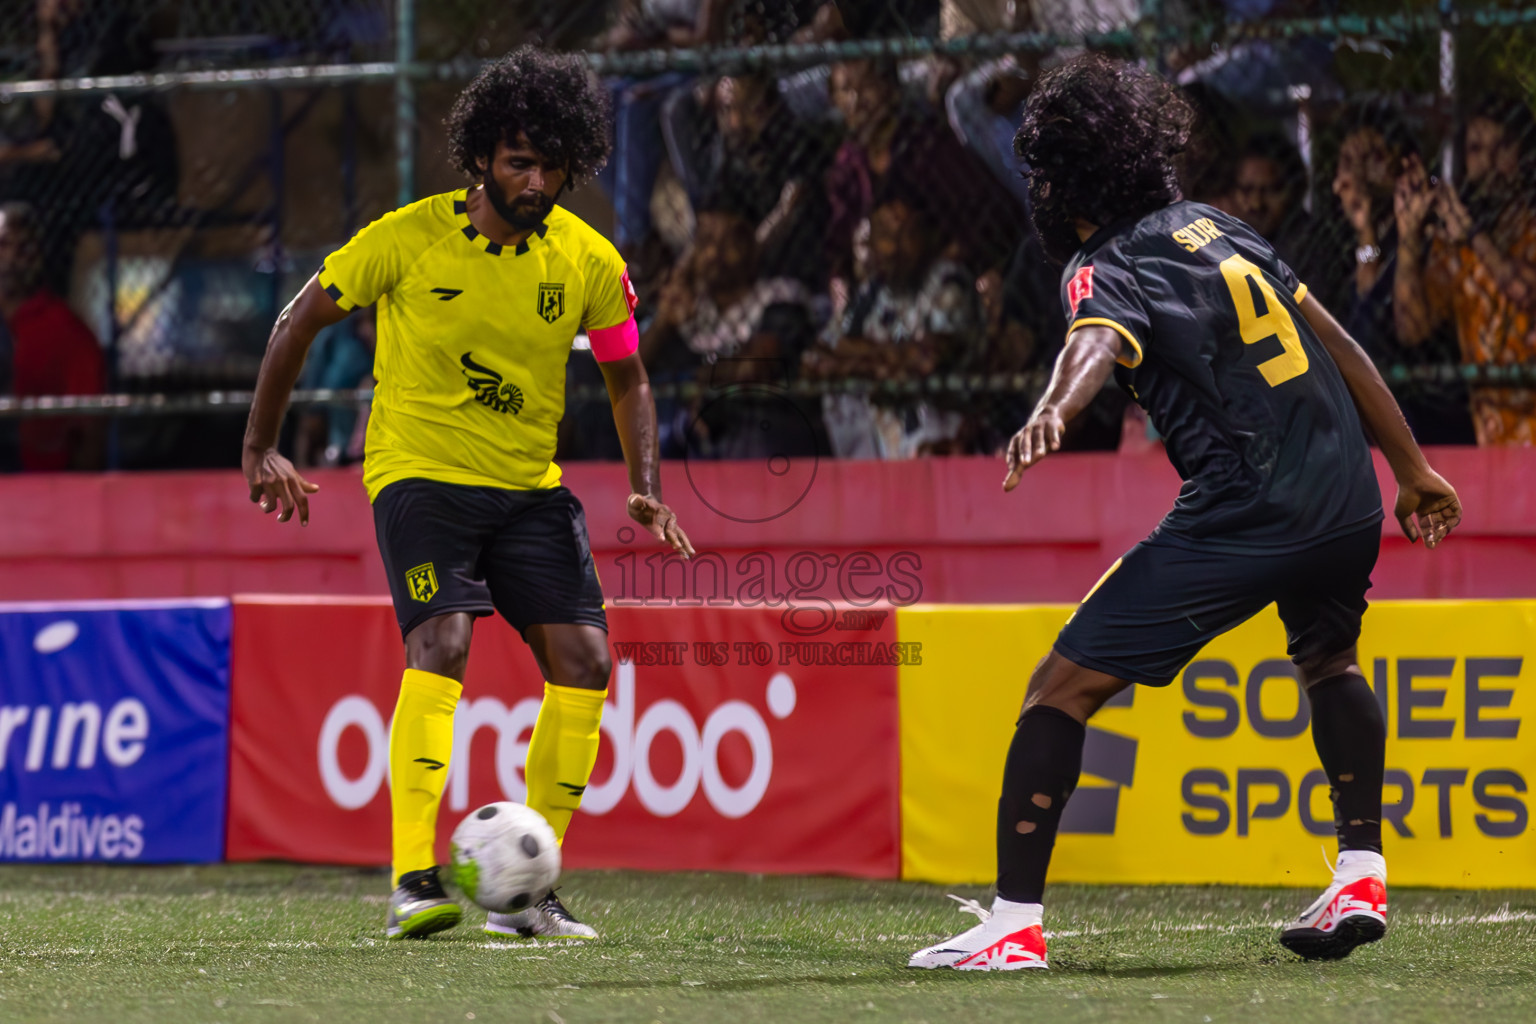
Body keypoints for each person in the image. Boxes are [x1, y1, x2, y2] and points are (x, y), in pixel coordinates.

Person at [909, 54, 1462, 972]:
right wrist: (1413, 469)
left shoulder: (1103, 261)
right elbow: (1338, 342)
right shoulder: (1218, 225)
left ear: (1072, 183)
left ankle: (1012, 923)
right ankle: (1362, 870)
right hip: (1346, 494)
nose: (1038, 192)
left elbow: (1092, 342)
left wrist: (1052, 409)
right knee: (1330, 658)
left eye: (1043, 174)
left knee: (1058, 688)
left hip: (1251, 503)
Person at [240, 48, 694, 942]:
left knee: (588, 663)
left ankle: (530, 899)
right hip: (419, 475)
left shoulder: (590, 260)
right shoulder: (407, 238)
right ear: (482, 154)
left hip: (528, 490)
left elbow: (628, 374)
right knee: (442, 645)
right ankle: (414, 877)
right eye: (518, 161)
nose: (535, 180)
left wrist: (645, 486)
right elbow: (296, 323)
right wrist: (260, 448)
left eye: (551, 164)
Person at [1394, 96, 1536, 446]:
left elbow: (1526, 294)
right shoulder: (1457, 244)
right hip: (1490, 438)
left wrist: (1474, 235)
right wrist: (1409, 238)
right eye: (1475, 149)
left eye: (1502, 147)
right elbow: (1411, 327)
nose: (1488, 162)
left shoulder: (1505, 231)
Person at [0, 201, 104, 471]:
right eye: (2, 247)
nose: (11, 261)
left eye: (23, 250)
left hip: (41, 479)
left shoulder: (64, 328)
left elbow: (91, 426)